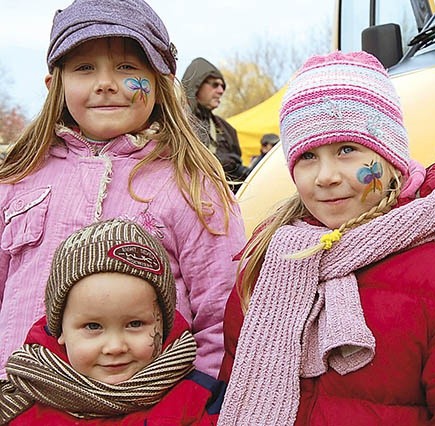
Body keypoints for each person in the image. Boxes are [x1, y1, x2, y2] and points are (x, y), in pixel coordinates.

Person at [217, 51, 435, 425]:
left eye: (347, 150)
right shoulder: (269, 268)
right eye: (307, 156)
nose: (325, 176)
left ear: (390, 157)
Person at [0, 0, 246, 380]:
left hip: (148, 410)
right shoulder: (17, 180)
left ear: (161, 84)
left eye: (127, 67)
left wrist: (200, 402)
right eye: (84, 67)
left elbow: (221, 314)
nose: (105, 82)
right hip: (20, 402)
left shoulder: (192, 186)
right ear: (55, 85)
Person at [0, 219, 225, 424]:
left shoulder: (196, 402)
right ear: (61, 329)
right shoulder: (23, 405)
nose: (115, 347)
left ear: (163, 325)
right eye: (93, 326)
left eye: (135, 324)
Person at [182, 57, 251, 192]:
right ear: (197, 85)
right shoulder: (173, 123)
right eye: (214, 85)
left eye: (222, 86)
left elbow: (236, 172)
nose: (221, 91)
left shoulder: (227, 129)